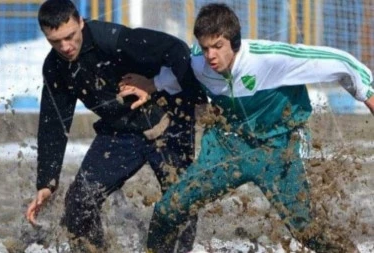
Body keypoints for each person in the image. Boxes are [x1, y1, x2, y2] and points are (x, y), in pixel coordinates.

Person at [123, 3, 374, 253]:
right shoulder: (200, 63)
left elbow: (342, 62)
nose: (210, 55)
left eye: (218, 46)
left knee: (305, 228)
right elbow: (179, 71)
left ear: (234, 41)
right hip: (228, 144)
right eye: (205, 47)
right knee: (170, 207)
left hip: (279, 146)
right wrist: (151, 84)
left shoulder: (269, 59)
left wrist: (368, 96)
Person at [25, 0, 206, 252]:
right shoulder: (55, 67)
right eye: (55, 41)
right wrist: (46, 182)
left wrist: (159, 85)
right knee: (79, 203)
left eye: (70, 36)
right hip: (120, 133)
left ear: (81, 23)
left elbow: (176, 49)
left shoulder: (113, 40)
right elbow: (53, 122)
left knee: (179, 204)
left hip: (167, 123)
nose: (65, 47)